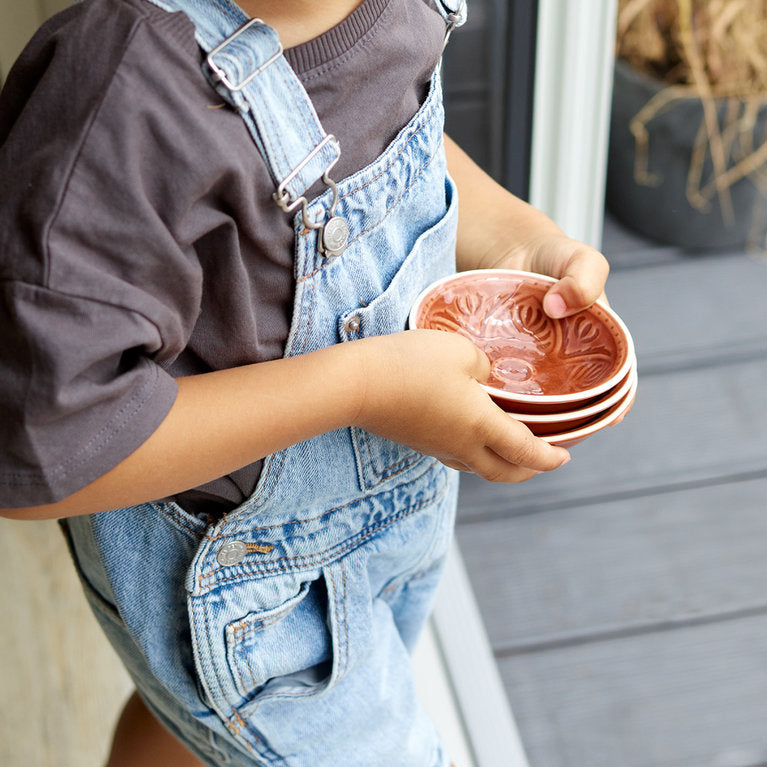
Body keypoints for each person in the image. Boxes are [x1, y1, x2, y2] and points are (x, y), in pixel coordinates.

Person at [0, 0, 609, 764]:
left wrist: (519, 236)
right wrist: (363, 388)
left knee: (184, 730)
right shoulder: (122, 93)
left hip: (384, 524)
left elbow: (389, 129)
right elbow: (45, 455)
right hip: (239, 591)